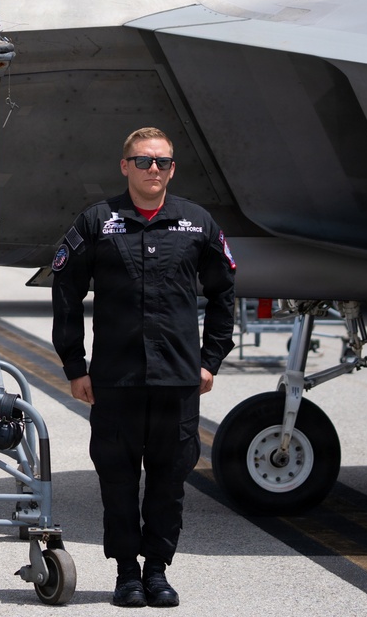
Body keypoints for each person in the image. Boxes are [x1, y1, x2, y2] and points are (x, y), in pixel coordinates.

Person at [51, 127, 235, 608]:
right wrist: (75, 365)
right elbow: (66, 290)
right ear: (124, 166)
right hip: (116, 379)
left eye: (162, 162)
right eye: (143, 161)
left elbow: (224, 292)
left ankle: (157, 571)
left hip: (177, 380)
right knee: (117, 480)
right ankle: (126, 574)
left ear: (172, 169)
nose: (153, 169)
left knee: (169, 481)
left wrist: (211, 360)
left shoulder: (196, 224)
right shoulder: (97, 222)